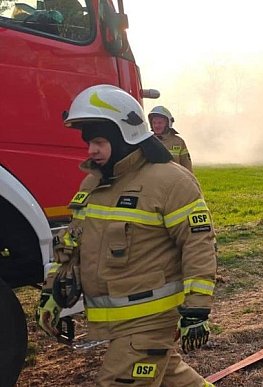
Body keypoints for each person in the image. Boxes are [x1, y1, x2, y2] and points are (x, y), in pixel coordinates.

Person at [35, 85, 217, 386]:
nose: (91, 151)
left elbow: (198, 245)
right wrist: (51, 292)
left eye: (99, 142)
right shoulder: (93, 185)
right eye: (89, 143)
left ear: (125, 137)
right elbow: (71, 244)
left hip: (152, 320)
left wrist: (196, 309)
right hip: (118, 318)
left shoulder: (171, 182)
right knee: (171, 378)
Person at [149, 106, 193, 172]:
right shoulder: (148, 142)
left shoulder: (178, 142)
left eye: (160, 123)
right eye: (154, 123)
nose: (156, 126)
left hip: (174, 178)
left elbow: (187, 166)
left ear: (168, 123)